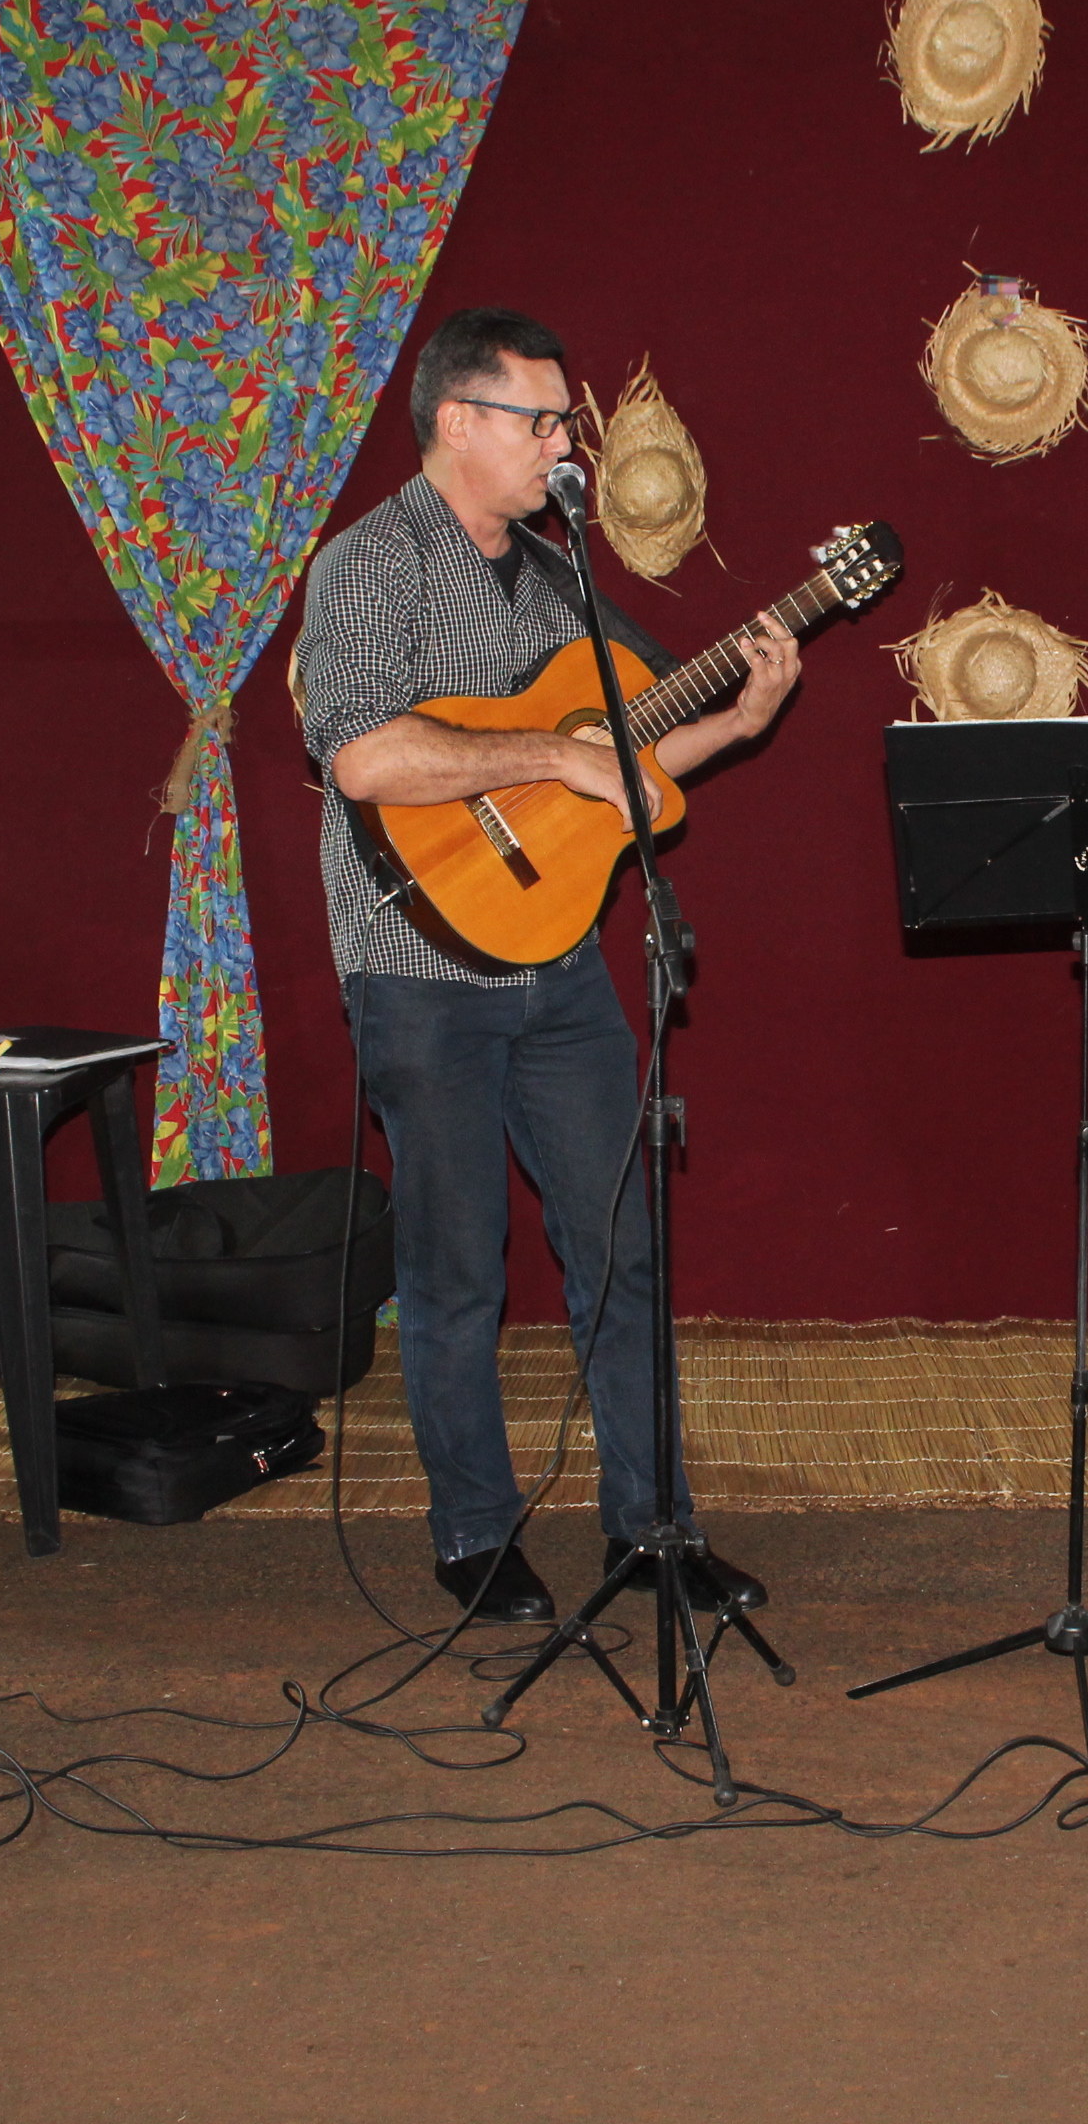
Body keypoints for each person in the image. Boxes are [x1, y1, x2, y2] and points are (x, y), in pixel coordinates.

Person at [297, 306, 799, 1627]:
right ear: (458, 421)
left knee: (623, 1251)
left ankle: (654, 1528)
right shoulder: (370, 565)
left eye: (565, 424)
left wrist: (739, 721)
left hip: (562, 965)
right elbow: (364, 757)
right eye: (542, 422)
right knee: (458, 1268)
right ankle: (473, 1533)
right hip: (418, 967)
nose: (564, 446)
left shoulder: (557, 574)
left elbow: (621, 769)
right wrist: (549, 755)